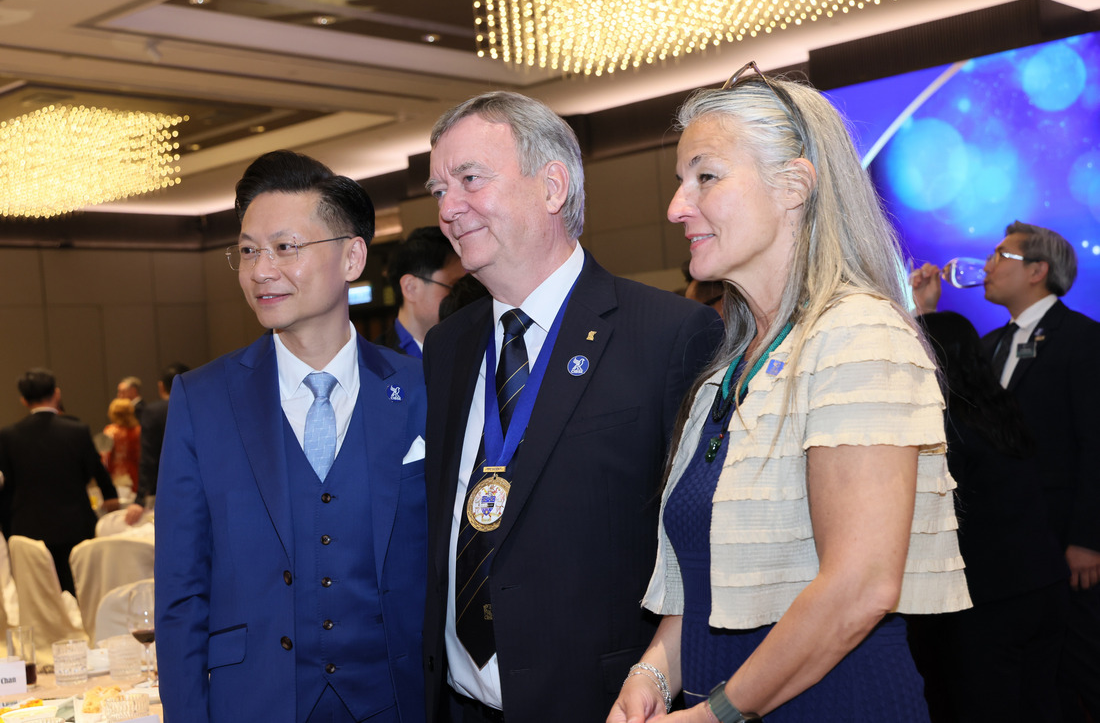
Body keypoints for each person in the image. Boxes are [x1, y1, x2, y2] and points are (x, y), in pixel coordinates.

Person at [609, 63, 971, 723]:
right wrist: (653, 673)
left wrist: (716, 713)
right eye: (681, 181)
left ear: (795, 185)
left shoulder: (858, 336)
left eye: (705, 177)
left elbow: (859, 587)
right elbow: (711, 577)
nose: (676, 207)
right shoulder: (728, 372)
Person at [422, 91, 722, 722]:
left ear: (552, 186)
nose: (447, 209)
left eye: (469, 180)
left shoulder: (668, 334)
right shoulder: (447, 346)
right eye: (439, 190)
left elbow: (703, 547)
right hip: (458, 705)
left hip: (603, 704)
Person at [155, 150, 428, 723]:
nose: (261, 270)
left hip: (397, 697)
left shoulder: (422, 387)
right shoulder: (202, 400)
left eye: (285, 247)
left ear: (352, 256)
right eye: (248, 251)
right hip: (255, 701)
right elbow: (181, 594)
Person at [912, 220, 1100, 721]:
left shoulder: (1083, 338)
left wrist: (1088, 538)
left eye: (1000, 256)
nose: (987, 266)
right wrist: (925, 312)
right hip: (1008, 551)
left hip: (1063, 543)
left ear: (1038, 270)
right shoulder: (992, 343)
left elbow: (1095, 444)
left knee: (1079, 671)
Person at [906, 311, 1068, 722]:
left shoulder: (944, 424)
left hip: (988, 596)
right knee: (1040, 702)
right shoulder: (999, 407)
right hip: (1043, 582)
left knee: (982, 706)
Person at [0, 369, 119, 596]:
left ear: (23, 400)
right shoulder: (77, 430)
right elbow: (93, 469)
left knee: (41, 595)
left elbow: (8, 483)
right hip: (75, 525)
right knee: (80, 590)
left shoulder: (9, 435)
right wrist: (109, 494)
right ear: (56, 393)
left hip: (29, 530)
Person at [377, 226, 466, 358]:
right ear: (410, 288)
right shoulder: (376, 361)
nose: (462, 295)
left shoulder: (469, 345)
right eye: (454, 286)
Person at [125, 362, 190, 526]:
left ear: (161, 386)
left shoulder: (153, 412)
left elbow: (149, 457)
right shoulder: (203, 406)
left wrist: (140, 498)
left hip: (167, 489)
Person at [100, 397, 140, 493]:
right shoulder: (139, 431)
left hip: (117, 477)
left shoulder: (110, 432)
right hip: (136, 476)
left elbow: (105, 458)